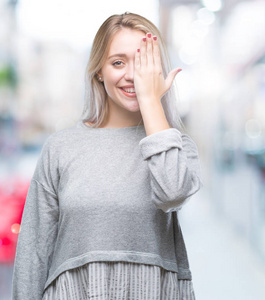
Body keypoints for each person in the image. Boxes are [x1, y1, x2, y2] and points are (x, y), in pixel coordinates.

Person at [12, 12, 203, 300]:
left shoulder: (176, 147)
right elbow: (33, 253)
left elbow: (172, 193)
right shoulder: (61, 148)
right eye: (117, 62)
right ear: (99, 71)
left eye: (142, 63)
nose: (131, 75)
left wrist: (151, 100)